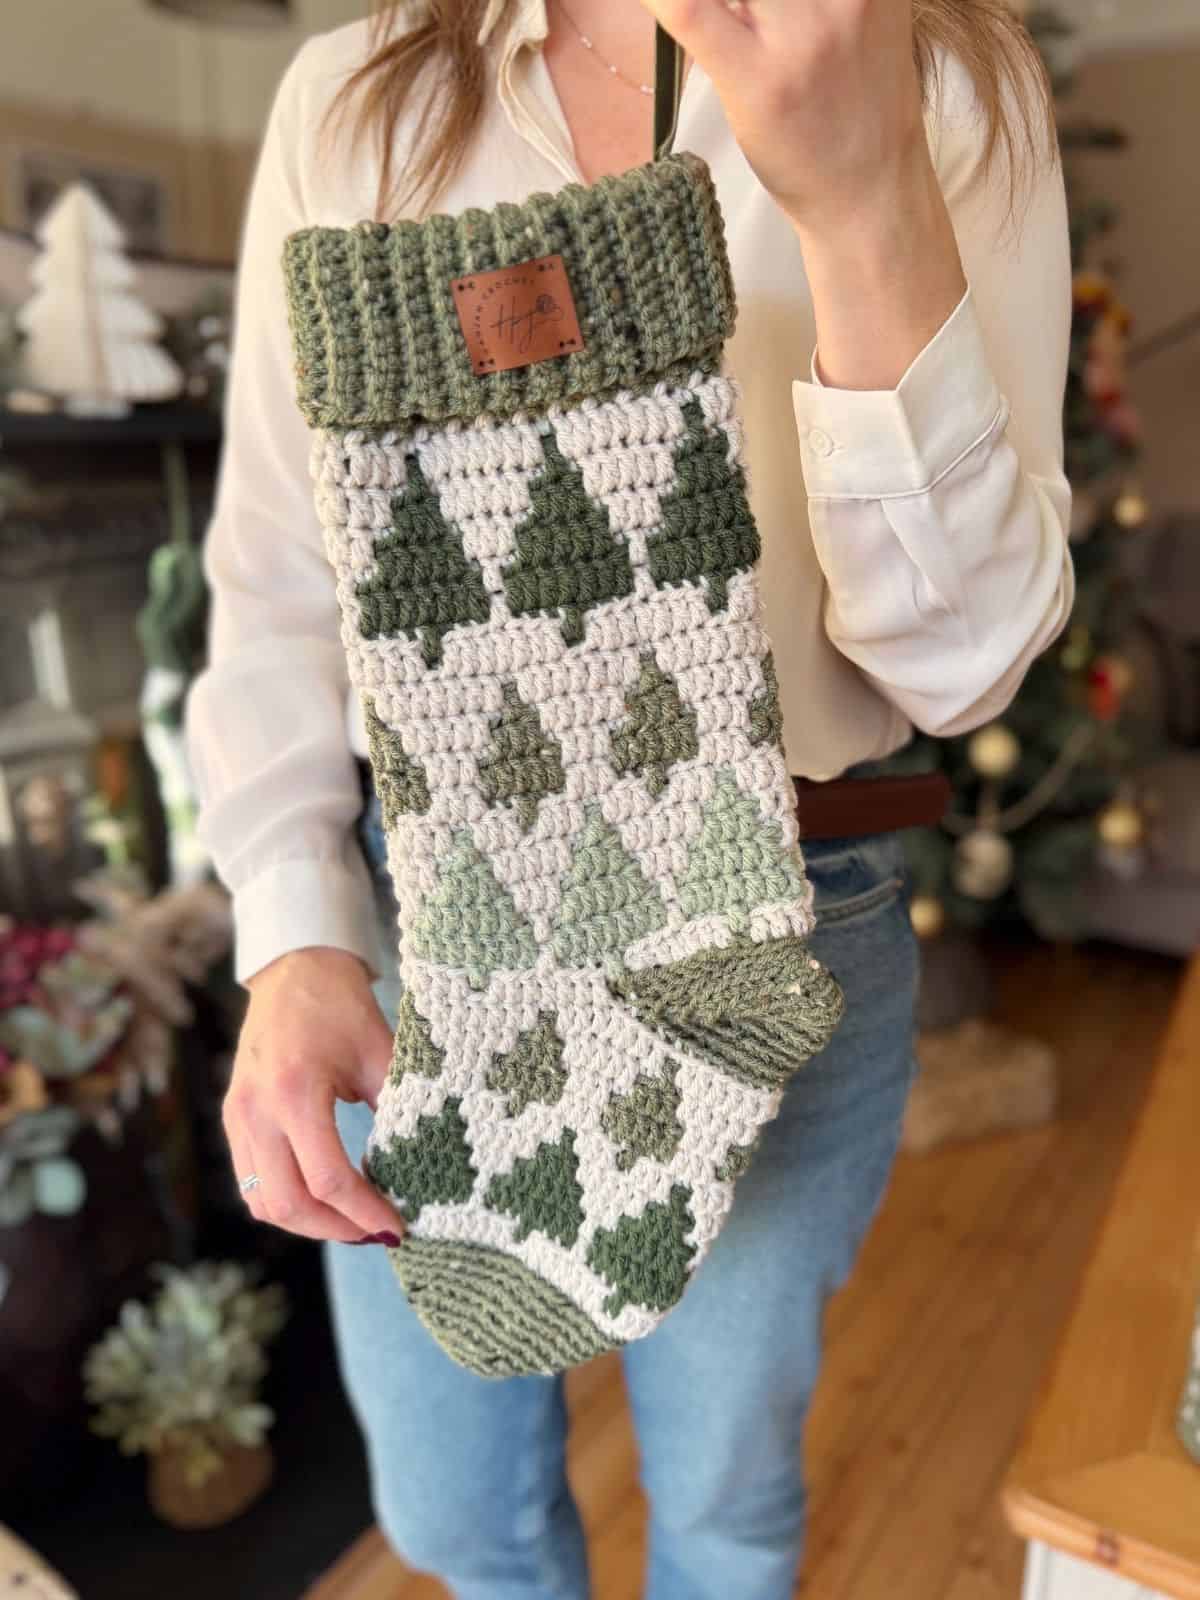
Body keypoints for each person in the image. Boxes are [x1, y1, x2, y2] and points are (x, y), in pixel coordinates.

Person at [184, 1, 1074, 1594]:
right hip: (436, 927)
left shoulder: (943, 73)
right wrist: (292, 929)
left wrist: (862, 196)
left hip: (779, 901)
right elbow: (271, 589)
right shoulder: (360, 97)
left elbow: (968, 669)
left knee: (726, 1500)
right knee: (453, 1514)